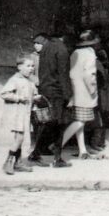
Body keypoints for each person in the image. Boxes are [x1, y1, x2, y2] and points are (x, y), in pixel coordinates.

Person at [28, 32, 72, 168]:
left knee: (46, 122)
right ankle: (56, 157)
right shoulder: (62, 49)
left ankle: (36, 153)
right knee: (59, 124)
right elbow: (63, 75)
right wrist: (68, 96)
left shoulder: (46, 48)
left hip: (45, 90)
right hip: (57, 93)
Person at [61, 30, 102, 159]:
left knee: (79, 121)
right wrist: (93, 90)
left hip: (75, 91)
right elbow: (89, 75)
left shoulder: (75, 53)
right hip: (84, 92)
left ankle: (82, 150)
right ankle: (59, 143)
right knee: (80, 122)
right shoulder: (90, 55)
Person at [0, 54, 41, 175]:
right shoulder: (15, 80)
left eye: (33, 66)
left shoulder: (30, 81)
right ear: (19, 67)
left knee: (21, 138)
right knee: (19, 138)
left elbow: (31, 94)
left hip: (25, 114)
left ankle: (17, 163)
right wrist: (18, 98)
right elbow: (4, 94)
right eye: (28, 66)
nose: (31, 68)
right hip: (17, 114)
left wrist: (35, 97)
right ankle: (8, 162)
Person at [89, 40, 109, 152]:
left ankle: (97, 142)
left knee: (99, 118)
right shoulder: (99, 65)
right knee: (99, 119)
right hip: (100, 95)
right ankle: (96, 142)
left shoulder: (99, 65)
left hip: (101, 95)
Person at [28, 33, 46, 153]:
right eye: (35, 43)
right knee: (34, 119)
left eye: (39, 43)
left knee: (44, 118)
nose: (36, 45)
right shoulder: (32, 57)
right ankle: (33, 144)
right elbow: (29, 72)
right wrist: (36, 81)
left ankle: (42, 145)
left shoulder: (48, 55)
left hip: (46, 90)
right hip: (35, 89)